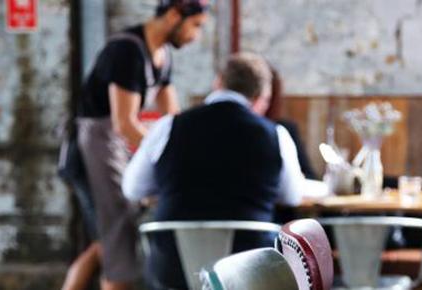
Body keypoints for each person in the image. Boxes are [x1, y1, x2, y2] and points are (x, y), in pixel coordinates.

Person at [122, 52, 327, 289]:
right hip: (249, 271)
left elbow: (132, 188)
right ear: (261, 97)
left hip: (174, 266)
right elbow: (291, 196)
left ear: (218, 82)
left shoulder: (169, 126)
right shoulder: (276, 135)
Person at [60, 1, 210, 290]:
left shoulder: (163, 55)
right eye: (196, 26)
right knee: (118, 237)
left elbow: (173, 121)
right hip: (96, 146)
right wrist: (170, 161)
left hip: (116, 148)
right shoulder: (127, 50)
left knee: (107, 240)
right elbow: (124, 123)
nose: (196, 36)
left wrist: (190, 150)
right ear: (174, 15)